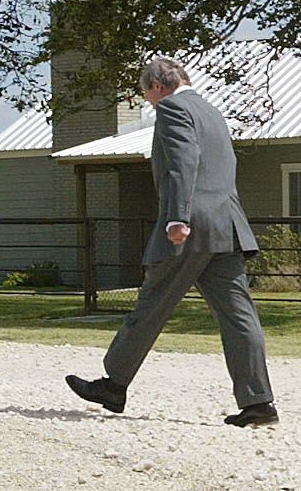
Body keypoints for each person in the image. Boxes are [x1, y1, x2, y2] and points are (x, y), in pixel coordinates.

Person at [65, 57, 278, 427]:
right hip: (226, 227)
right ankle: (259, 402)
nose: (148, 101)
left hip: (192, 227)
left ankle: (113, 385)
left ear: (157, 86)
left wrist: (178, 217)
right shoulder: (211, 112)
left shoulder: (173, 108)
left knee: (151, 303)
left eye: (145, 94)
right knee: (239, 316)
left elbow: (183, 162)